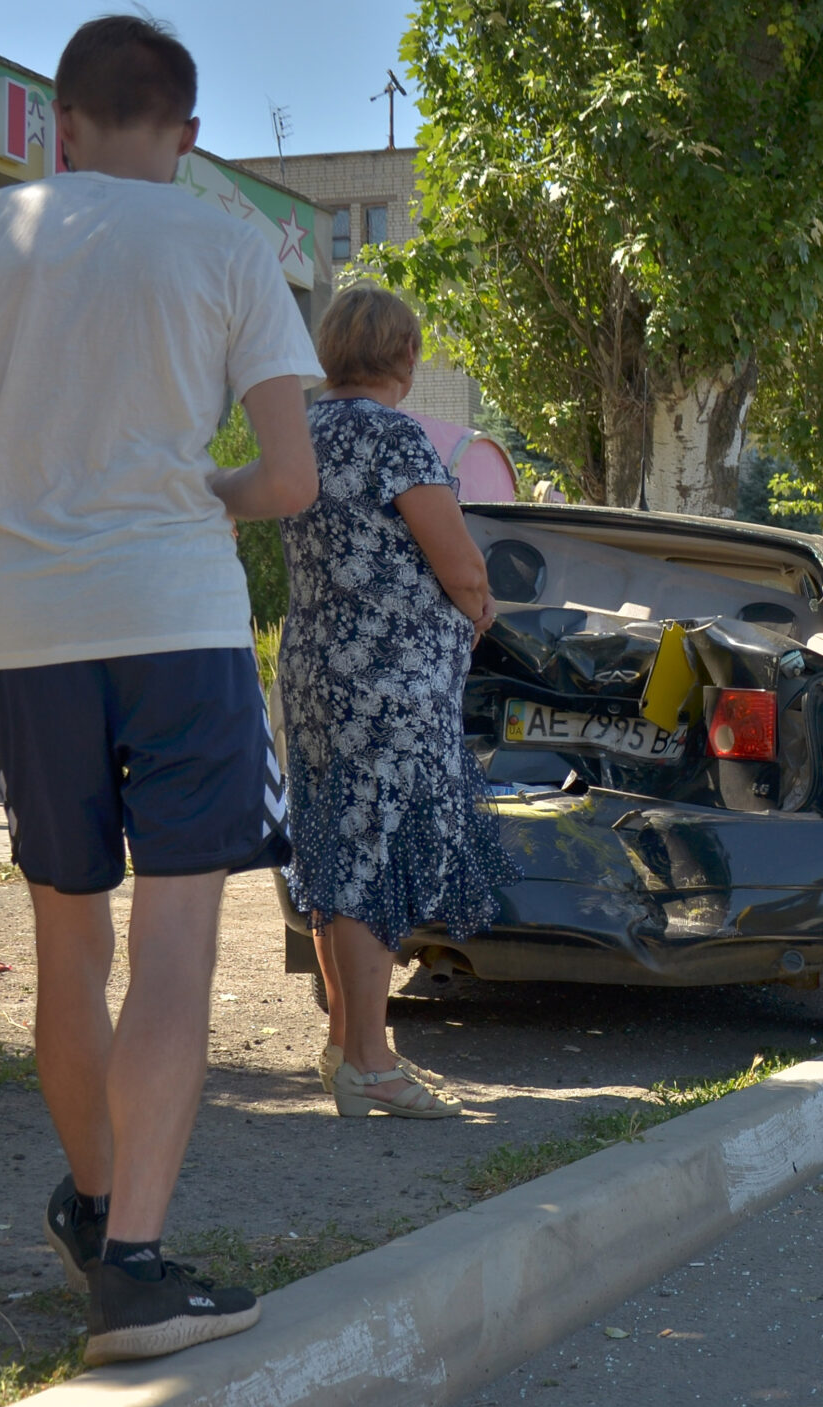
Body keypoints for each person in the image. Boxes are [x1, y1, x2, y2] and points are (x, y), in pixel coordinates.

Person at [0, 16, 322, 1365]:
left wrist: (18, 477)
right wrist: (198, 490)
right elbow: (288, 482)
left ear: (58, 125)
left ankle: (94, 1203)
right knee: (179, 942)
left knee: (73, 940)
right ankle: (135, 1265)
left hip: (33, 631)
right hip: (178, 622)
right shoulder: (232, 244)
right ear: (184, 137)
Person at [280, 287, 513, 1116]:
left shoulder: (299, 430)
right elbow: (458, 562)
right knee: (376, 854)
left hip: (313, 669)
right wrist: (481, 607)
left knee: (332, 847)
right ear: (404, 355)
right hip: (388, 679)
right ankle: (372, 1063)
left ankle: (346, 1046)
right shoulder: (393, 435)